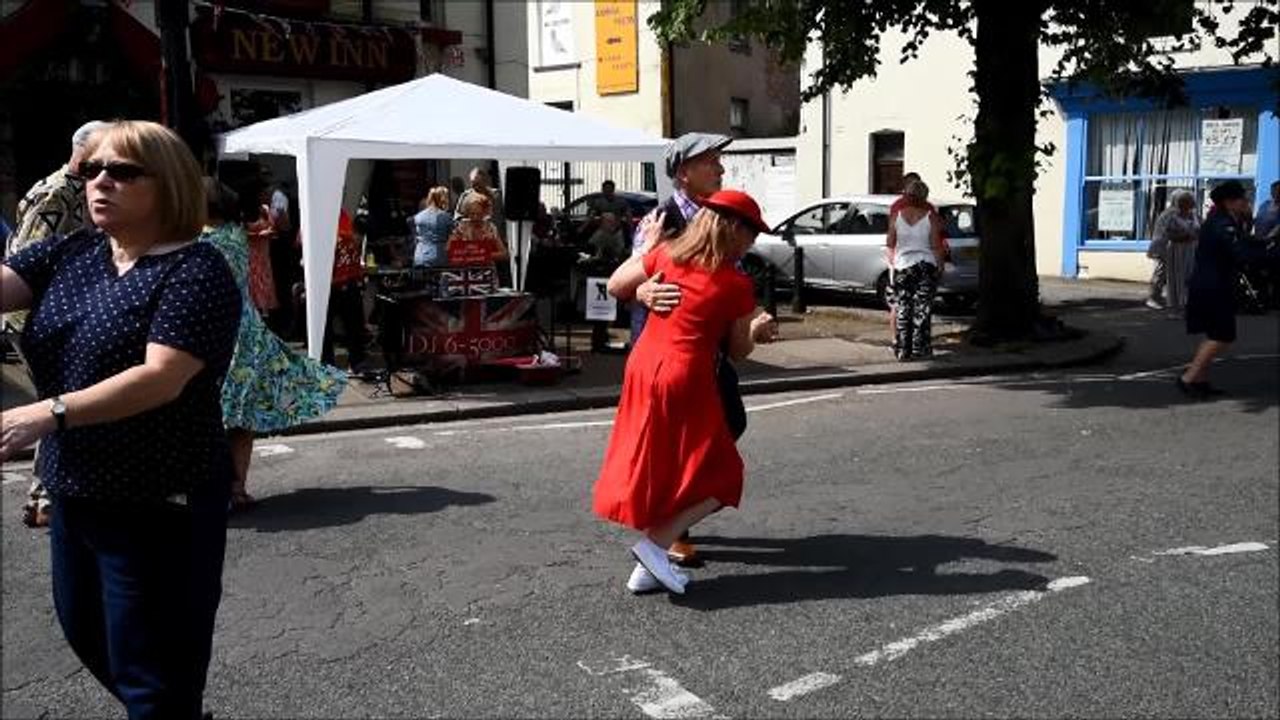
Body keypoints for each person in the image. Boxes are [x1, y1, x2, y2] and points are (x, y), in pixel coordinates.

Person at [0, 120, 241, 718]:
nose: (98, 181)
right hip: (77, 489)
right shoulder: (73, 252)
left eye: (123, 171)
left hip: (159, 499)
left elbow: (162, 377)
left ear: (171, 184)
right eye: (91, 170)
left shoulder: (196, 270)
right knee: (90, 636)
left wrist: (45, 413)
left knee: (152, 668)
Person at [594, 190, 777, 595]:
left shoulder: (667, 254)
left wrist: (644, 272)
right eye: (752, 233)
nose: (754, 242)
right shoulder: (734, 282)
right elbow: (737, 350)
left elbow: (616, 284)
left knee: (659, 459)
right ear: (733, 231)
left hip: (643, 367)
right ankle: (654, 545)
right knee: (723, 475)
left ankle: (648, 568)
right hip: (685, 374)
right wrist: (757, 330)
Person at [613, 131, 733, 566]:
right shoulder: (660, 221)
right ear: (683, 173)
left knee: (730, 423)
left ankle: (673, 520)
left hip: (709, 347)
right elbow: (626, 276)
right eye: (710, 161)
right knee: (681, 443)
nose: (720, 168)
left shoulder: (718, 216)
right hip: (669, 351)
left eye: (720, 161)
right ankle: (672, 531)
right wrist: (643, 290)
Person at [200, 178, 346, 512]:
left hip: (218, 334)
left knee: (215, 416)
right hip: (247, 330)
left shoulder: (201, 242)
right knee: (242, 418)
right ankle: (237, 488)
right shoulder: (234, 235)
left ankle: (216, 489)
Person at [6, 119, 107, 529]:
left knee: (61, 400)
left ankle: (44, 498)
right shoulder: (56, 193)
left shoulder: (72, 188)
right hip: (36, 315)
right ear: (84, 152)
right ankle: (45, 498)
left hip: (51, 312)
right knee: (60, 402)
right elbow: (27, 260)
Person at [1178, 180, 1253, 398]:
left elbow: (1243, 244)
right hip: (1213, 286)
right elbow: (1240, 252)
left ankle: (1200, 380)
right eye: (1243, 199)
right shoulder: (1222, 224)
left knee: (1215, 333)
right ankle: (1189, 378)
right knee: (1223, 335)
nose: (1247, 203)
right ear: (1229, 202)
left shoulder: (1224, 219)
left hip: (1212, 283)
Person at [886, 179, 947, 360]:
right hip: (925, 265)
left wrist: (893, 263)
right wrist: (940, 265)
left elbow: (890, 243)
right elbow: (936, 246)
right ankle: (920, 348)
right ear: (924, 197)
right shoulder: (931, 216)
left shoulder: (896, 216)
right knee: (922, 308)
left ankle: (902, 350)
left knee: (903, 306)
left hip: (903, 265)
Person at [320, 208, 369, 371]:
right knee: (348, 325)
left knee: (352, 325)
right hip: (335, 284)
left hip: (344, 282)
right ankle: (352, 360)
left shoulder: (343, 223)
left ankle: (347, 360)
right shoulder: (336, 230)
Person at [1149, 190, 1200, 310]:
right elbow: (1166, 233)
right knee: (1163, 275)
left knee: (1180, 276)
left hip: (1186, 250)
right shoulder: (1170, 214)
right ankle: (1155, 298)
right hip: (1167, 248)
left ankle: (1179, 301)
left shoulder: (1192, 215)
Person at [447, 192, 509, 267]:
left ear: (484, 213)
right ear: (467, 213)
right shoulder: (461, 227)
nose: (475, 217)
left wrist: (484, 254)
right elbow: (449, 249)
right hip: (466, 271)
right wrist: (465, 253)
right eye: (472, 214)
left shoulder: (490, 227)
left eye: (479, 214)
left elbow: (504, 254)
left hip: (486, 271)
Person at [244, 190, 280, 316]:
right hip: (252, 250)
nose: (264, 196)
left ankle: (265, 308)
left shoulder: (265, 209)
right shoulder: (245, 212)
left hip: (264, 250)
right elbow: (242, 232)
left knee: (264, 276)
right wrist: (258, 234)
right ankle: (255, 308)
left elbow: (273, 228)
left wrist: (269, 232)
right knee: (254, 277)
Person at [410, 186, 455, 268]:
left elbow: (415, 235)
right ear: (443, 200)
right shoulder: (446, 217)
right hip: (440, 257)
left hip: (420, 256)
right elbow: (453, 237)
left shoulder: (418, 216)